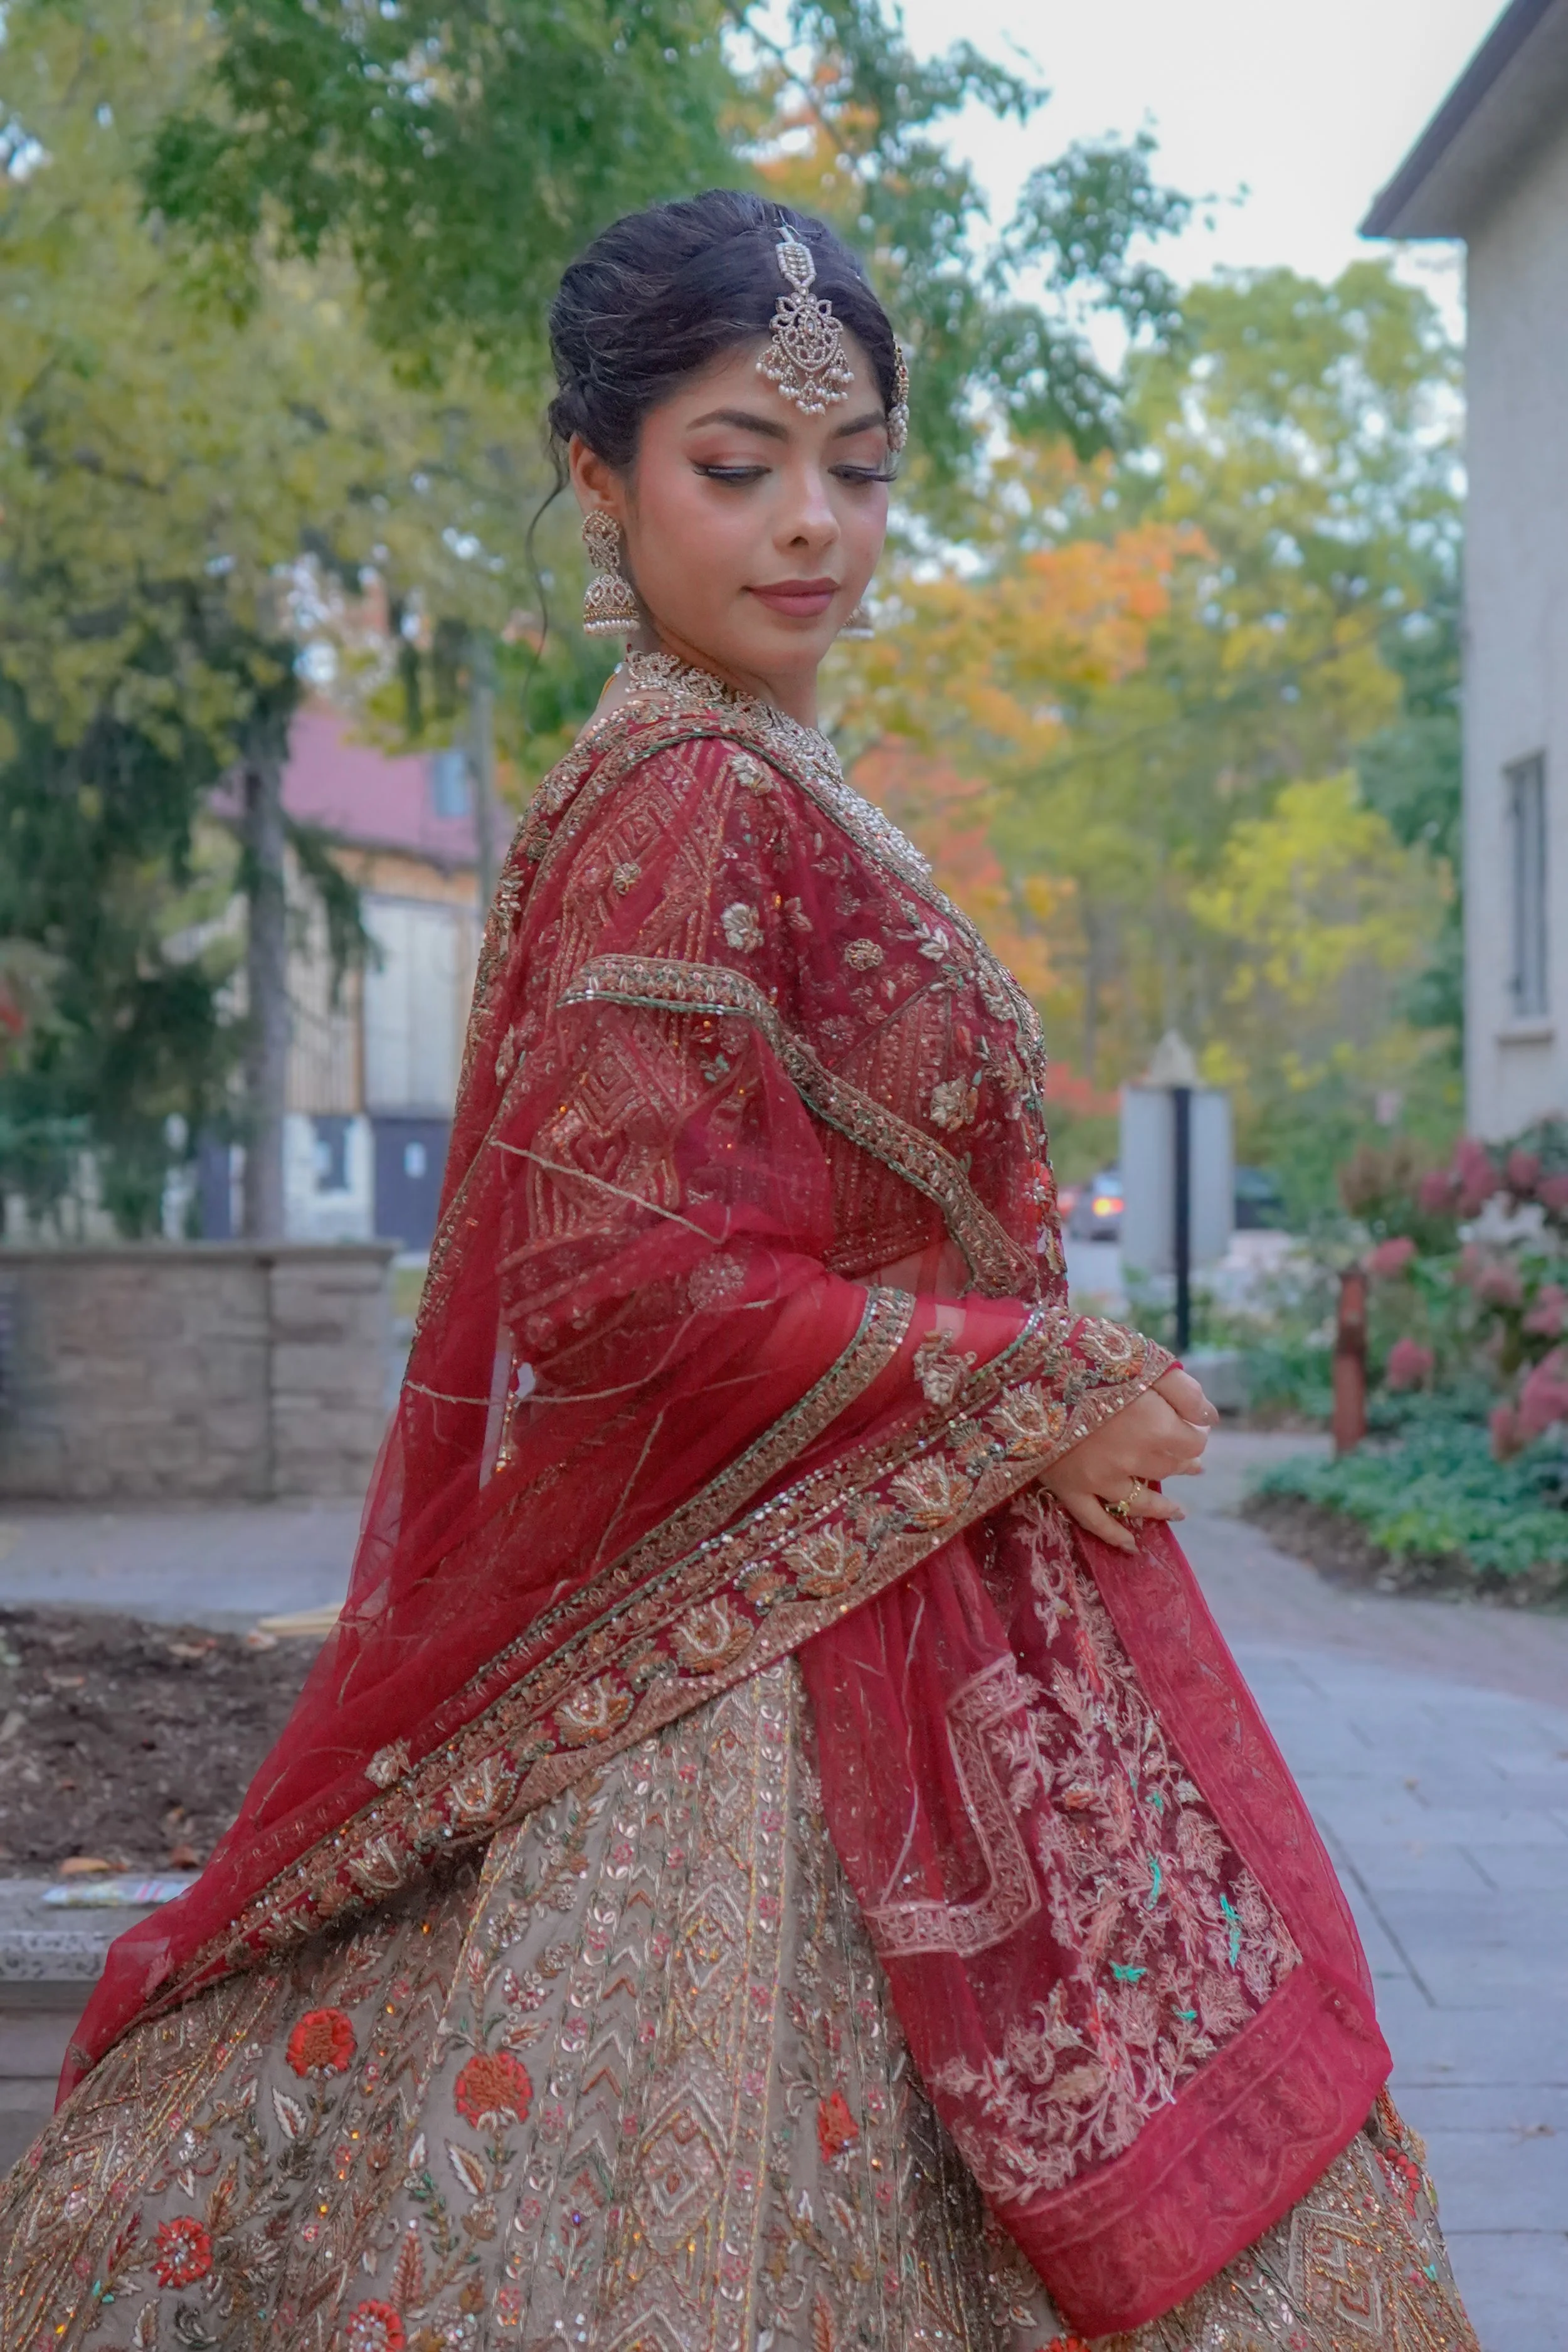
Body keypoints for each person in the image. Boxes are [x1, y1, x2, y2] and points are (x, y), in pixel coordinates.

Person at [0, 192, 1477, 2352]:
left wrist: (1027, 1385)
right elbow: (612, 1287)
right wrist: (1024, 1375)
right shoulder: (687, 784)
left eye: (856, 468)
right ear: (596, 475)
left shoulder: (759, 770)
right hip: (762, 1665)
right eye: (736, 463)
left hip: (866, 1567)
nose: (815, 526)